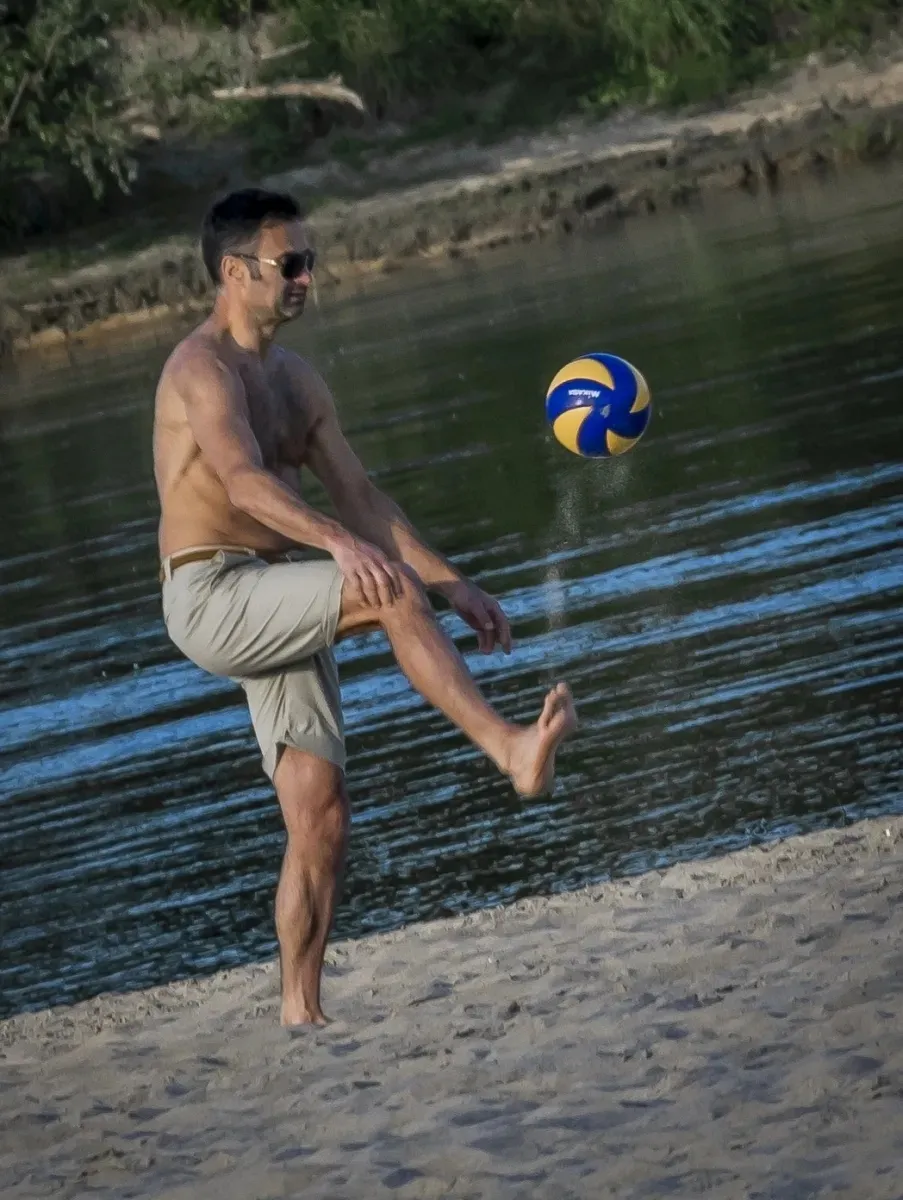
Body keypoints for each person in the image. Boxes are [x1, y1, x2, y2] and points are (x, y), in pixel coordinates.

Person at [153, 187, 577, 1027]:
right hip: (210, 591)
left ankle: (299, 1016)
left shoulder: (297, 378)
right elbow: (241, 479)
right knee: (382, 589)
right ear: (235, 272)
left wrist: (452, 583)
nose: (308, 276)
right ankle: (507, 747)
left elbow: (361, 496)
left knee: (320, 815)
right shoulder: (200, 369)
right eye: (291, 263)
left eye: (311, 260)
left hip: (275, 591)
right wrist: (342, 549)